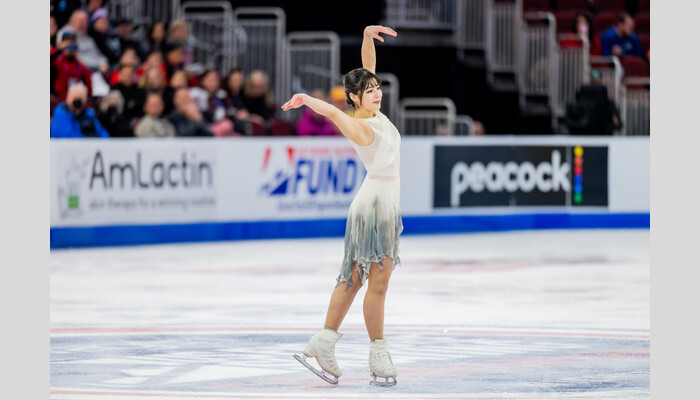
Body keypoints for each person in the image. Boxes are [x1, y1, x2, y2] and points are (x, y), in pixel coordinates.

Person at [283, 25, 401, 387]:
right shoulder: (361, 127)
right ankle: (378, 352)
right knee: (376, 282)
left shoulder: (372, 112)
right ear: (354, 97)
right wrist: (306, 99)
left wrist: (366, 37)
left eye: (377, 88)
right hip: (375, 207)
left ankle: (323, 341)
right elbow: (335, 115)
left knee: (354, 278)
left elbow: (368, 69)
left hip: (378, 203)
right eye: (369, 91)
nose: (377, 93)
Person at [51, 28, 93, 101]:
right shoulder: (56, 60)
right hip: (58, 98)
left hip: (74, 99)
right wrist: (59, 49)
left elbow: (89, 85)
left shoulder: (79, 64)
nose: (69, 44)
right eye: (66, 41)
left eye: (72, 41)